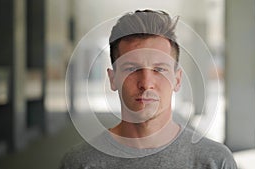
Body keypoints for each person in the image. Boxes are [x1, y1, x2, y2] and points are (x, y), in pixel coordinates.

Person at [60, 9, 237, 169]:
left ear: (177, 80)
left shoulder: (215, 162)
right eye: (131, 69)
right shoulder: (79, 163)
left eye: (159, 69)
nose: (146, 83)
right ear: (113, 79)